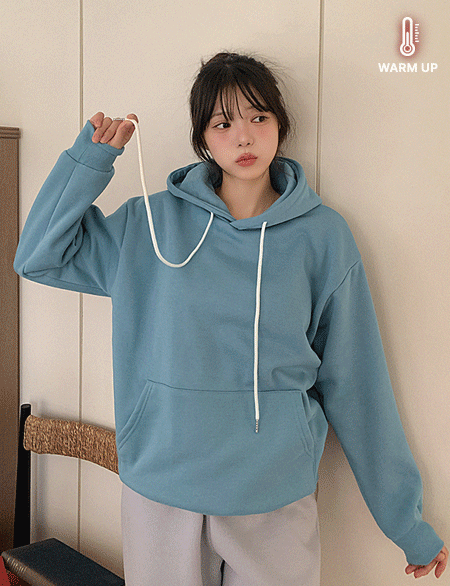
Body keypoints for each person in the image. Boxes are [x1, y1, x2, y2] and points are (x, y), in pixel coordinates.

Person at [14, 52, 447, 585]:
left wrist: (407, 524)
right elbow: (37, 256)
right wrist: (89, 161)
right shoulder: (148, 225)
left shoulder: (323, 237)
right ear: (203, 138)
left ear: (280, 125)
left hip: (273, 496)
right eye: (222, 123)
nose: (243, 137)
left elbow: (358, 386)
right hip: (162, 492)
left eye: (258, 117)